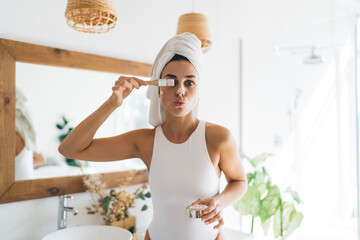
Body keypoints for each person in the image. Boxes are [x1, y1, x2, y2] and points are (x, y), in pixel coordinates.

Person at [58, 32, 247, 240]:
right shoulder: (145, 142)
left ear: (199, 90)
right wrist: (113, 103)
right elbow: (70, 149)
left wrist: (220, 201)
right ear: (159, 90)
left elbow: (239, 181)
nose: (180, 91)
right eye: (171, 82)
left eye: (189, 83)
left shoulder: (219, 138)